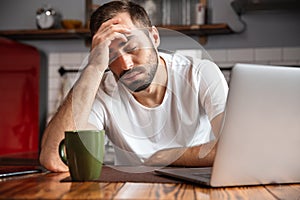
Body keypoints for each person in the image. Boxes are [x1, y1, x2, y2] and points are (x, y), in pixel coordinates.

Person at [39, 0, 228, 172]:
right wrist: (94, 67)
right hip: (129, 188)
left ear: (154, 37)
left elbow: (236, 147)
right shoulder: (101, 90)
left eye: (132, 48)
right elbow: (55, 159)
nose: (125, 65)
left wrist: (166, 156)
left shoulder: (199, 73)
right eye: (111, 55)